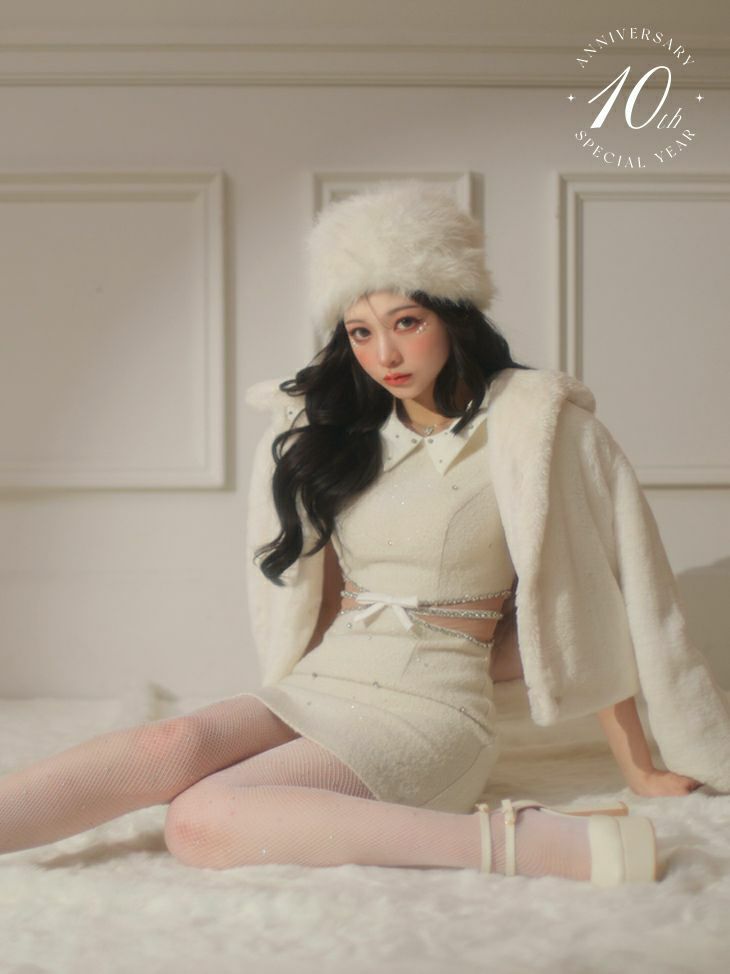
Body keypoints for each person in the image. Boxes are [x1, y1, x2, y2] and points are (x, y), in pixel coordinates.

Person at [1, 183, 726, 886]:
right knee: (172, 743)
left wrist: (640, 766)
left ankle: (535, 843)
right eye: (361, 332)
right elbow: (321, 597)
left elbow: (604, 595)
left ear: (454, 316)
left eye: (406, 322)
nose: (385, 355)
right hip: (324, 683)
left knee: (198, 821)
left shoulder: (533, 429)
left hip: (432, 712)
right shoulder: (341, 435)